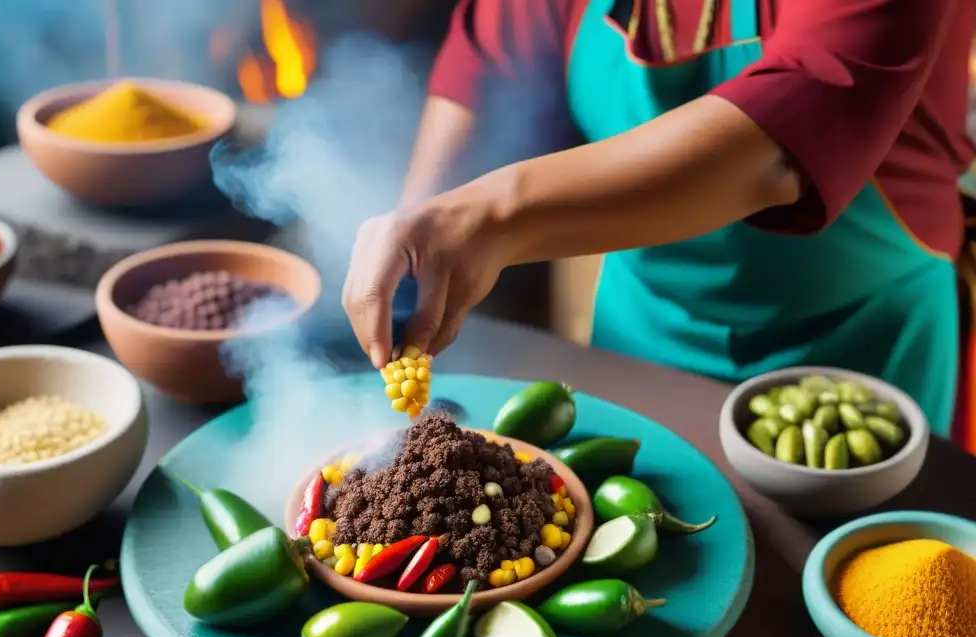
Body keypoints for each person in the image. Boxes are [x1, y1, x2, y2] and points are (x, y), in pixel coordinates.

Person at [341, 0, 976, 441]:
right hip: (638, 339)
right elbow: (490, 73)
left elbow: (775, 147)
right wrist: (416, 238)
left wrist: (487, 219)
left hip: (862, 349)